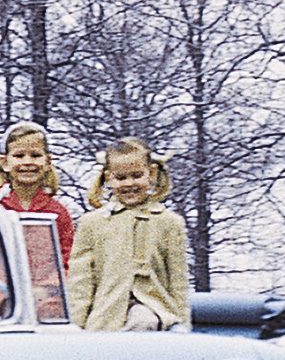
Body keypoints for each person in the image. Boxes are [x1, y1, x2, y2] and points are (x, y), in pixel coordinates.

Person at [67, 137, 192, 332]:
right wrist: (75, 324)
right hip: (106, 315)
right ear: (109, 178)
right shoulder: (92, 223)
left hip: (155, 313)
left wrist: (182, 323)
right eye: (121, 178)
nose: (129, 183)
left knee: (143, 321)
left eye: (136, 175)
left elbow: (178, 280)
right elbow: (80, 280)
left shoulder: (169, 223)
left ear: (151, 174)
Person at [0, 121, 75, 264]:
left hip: (47, 286)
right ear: (5, 162)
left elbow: (67, 262)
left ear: (48, 162)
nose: (28, 162)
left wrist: (45, 286)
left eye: (35, 155)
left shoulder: (58, 213)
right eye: (19, 156)